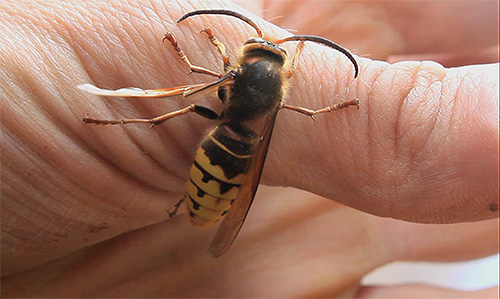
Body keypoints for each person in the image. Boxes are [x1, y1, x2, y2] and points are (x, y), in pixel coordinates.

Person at [1, 0, 498, 297]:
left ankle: (175, 179)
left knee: (184, 106)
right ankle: (192, 201)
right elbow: (286, 97)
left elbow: (202, 79)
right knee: (202, 123)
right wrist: (328, 106)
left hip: (222, 150)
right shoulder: (276, 97)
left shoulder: (233, 78)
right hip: (236, 160)